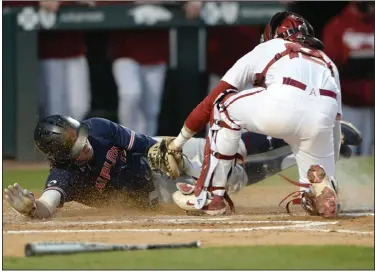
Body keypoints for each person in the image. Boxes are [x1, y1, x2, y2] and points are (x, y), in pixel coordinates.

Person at [4, 115, 359, 219]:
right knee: (227, 179)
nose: (86, 147)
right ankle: (294, 159)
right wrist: (33, 208)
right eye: (77, 149)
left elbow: (143, 143)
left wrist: (179, 158)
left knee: (219, 146)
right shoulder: (63, 175)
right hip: (157, 195)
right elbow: (49, 203)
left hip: (158, 157)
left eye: (81, 139)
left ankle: (305, 132)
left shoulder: (97, 129)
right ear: (61, 157)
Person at [167, 11, 344, 218]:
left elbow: (211, 101)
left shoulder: (267, 48)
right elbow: (335, 127)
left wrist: (178, 142)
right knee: (311, 191)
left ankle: (211, 198)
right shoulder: (328, 62)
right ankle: (319, 191)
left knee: (222, 107)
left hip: (282, 105)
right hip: (320, 121)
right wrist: (328, 168)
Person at [322, 1, 374, 156]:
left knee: (369, 152)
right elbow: (329, 64)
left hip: (372, 100)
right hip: (349, 100)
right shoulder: (338, 25)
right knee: (348, 148)